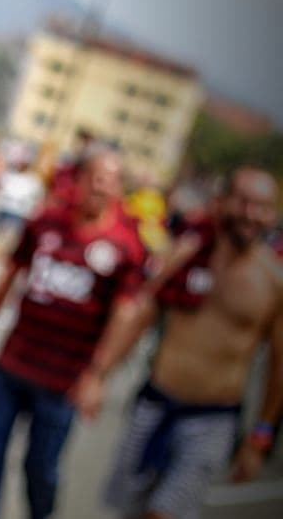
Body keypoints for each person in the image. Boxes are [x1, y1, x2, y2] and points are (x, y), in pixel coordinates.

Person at [85, 167, 282, 519]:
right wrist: (99, 375)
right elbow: (143, 311)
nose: (251, 214)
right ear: (223, 203)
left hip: (211, 421)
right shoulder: (188, 253)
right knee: (127, 510)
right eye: (244, 202)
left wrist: (260, 436)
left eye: (262, 206)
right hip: (155, 404)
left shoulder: (273, 282)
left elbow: (280, 367)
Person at [0, 148, 147, 519]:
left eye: (109, 179)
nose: (99, 185)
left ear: (118, 188)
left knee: (41, 467)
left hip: (63, 380)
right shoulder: (46, 222)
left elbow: (124, 314)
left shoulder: (126, 245)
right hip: (14, 363)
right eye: (93, 176)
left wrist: (97, 375)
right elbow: (12, 272)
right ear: (77, 181)